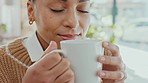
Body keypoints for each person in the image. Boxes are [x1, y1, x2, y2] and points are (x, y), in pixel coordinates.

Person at [0, 0, 126, 83]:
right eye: (57, 9)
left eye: (83, 9)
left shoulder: (103, 59)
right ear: (31, 11)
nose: (73, 23)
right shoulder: (3, 63)